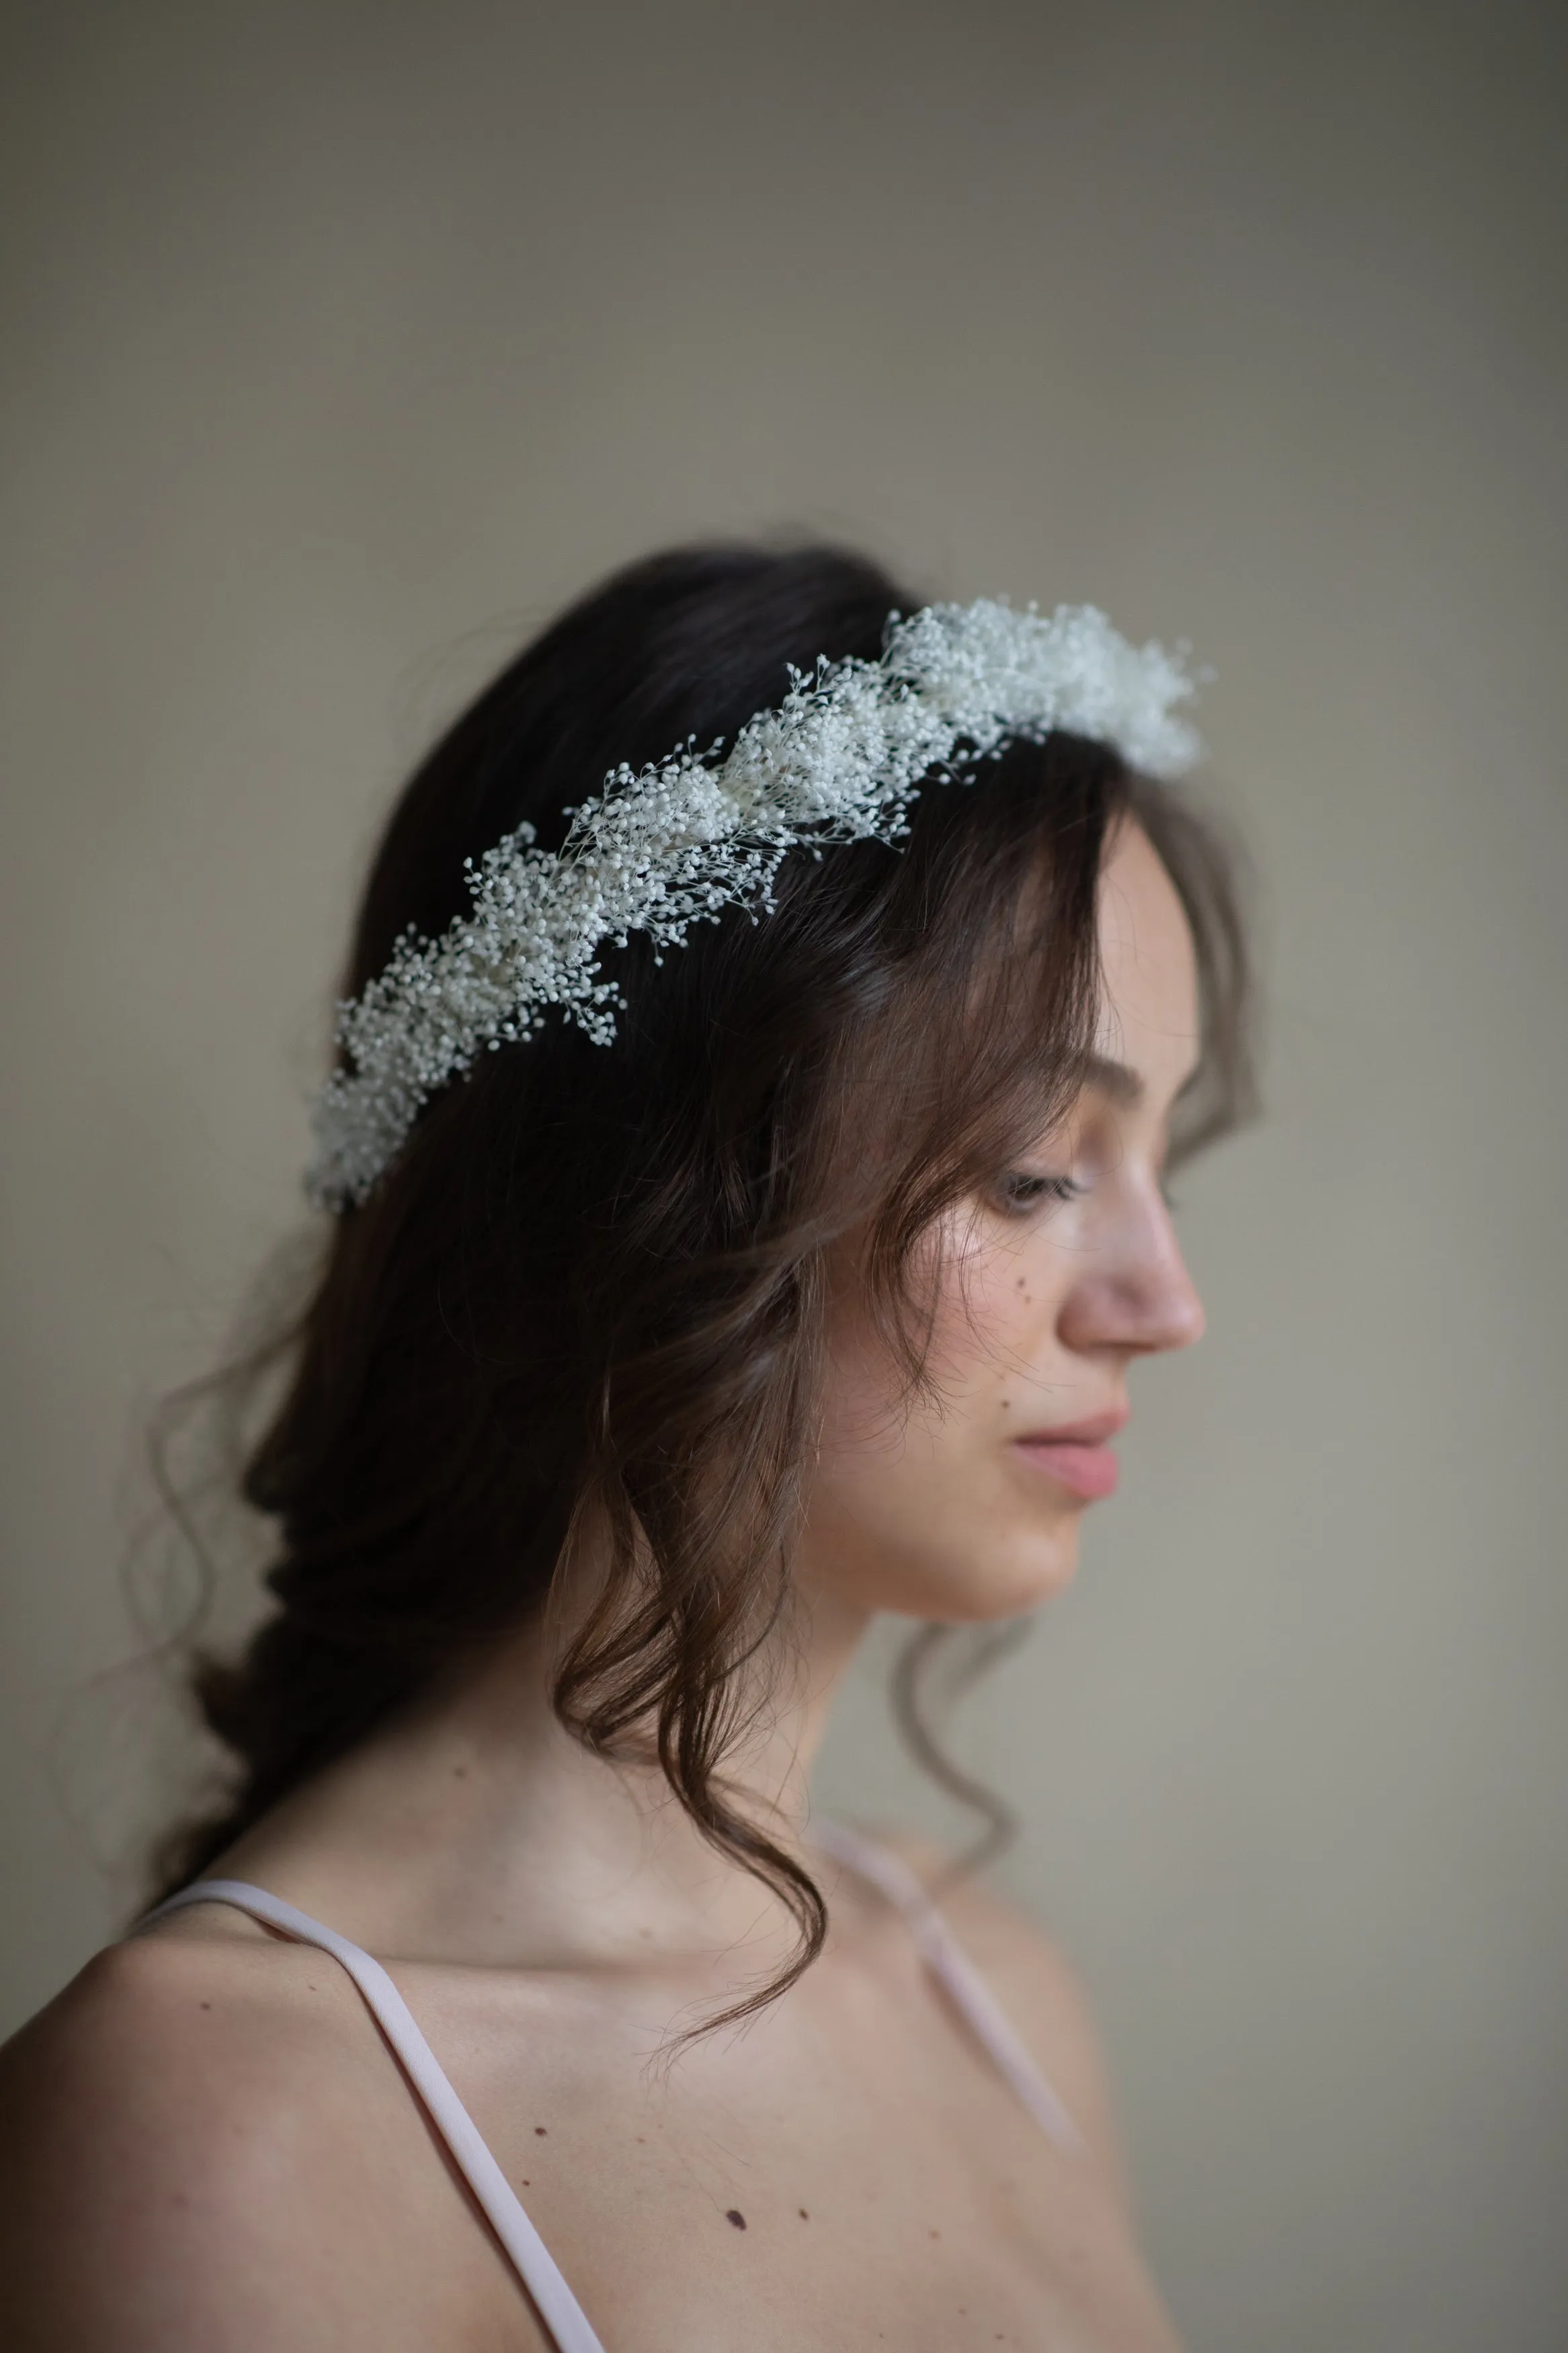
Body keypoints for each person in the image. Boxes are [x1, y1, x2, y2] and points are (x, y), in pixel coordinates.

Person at [0, 542, 1252, 2350]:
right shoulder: (225, 2124)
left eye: (1161, 1168)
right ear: (645, 1196)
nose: (1161, 1299)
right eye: (1031, 1168)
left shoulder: (993, 1987)